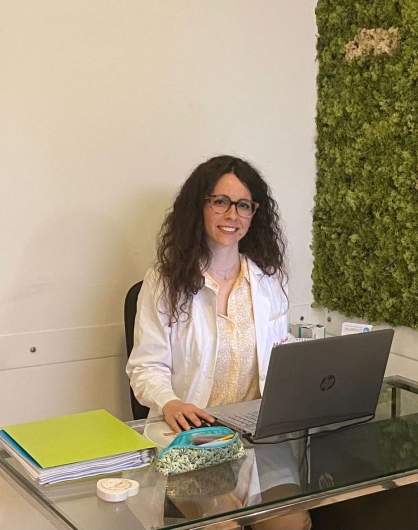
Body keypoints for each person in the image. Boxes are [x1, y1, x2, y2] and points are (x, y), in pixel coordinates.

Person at [126, 155, 311, 530]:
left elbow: (279, 348)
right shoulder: (164, 282)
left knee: (290, 524)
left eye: (243, 205)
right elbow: (145, 367)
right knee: (223, 524)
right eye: (220, 201)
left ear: (254, 213)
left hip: (259, 439)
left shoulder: (270, 279)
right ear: (200, 206)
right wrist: (170, 402)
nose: (232, 215)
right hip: (194, 440)